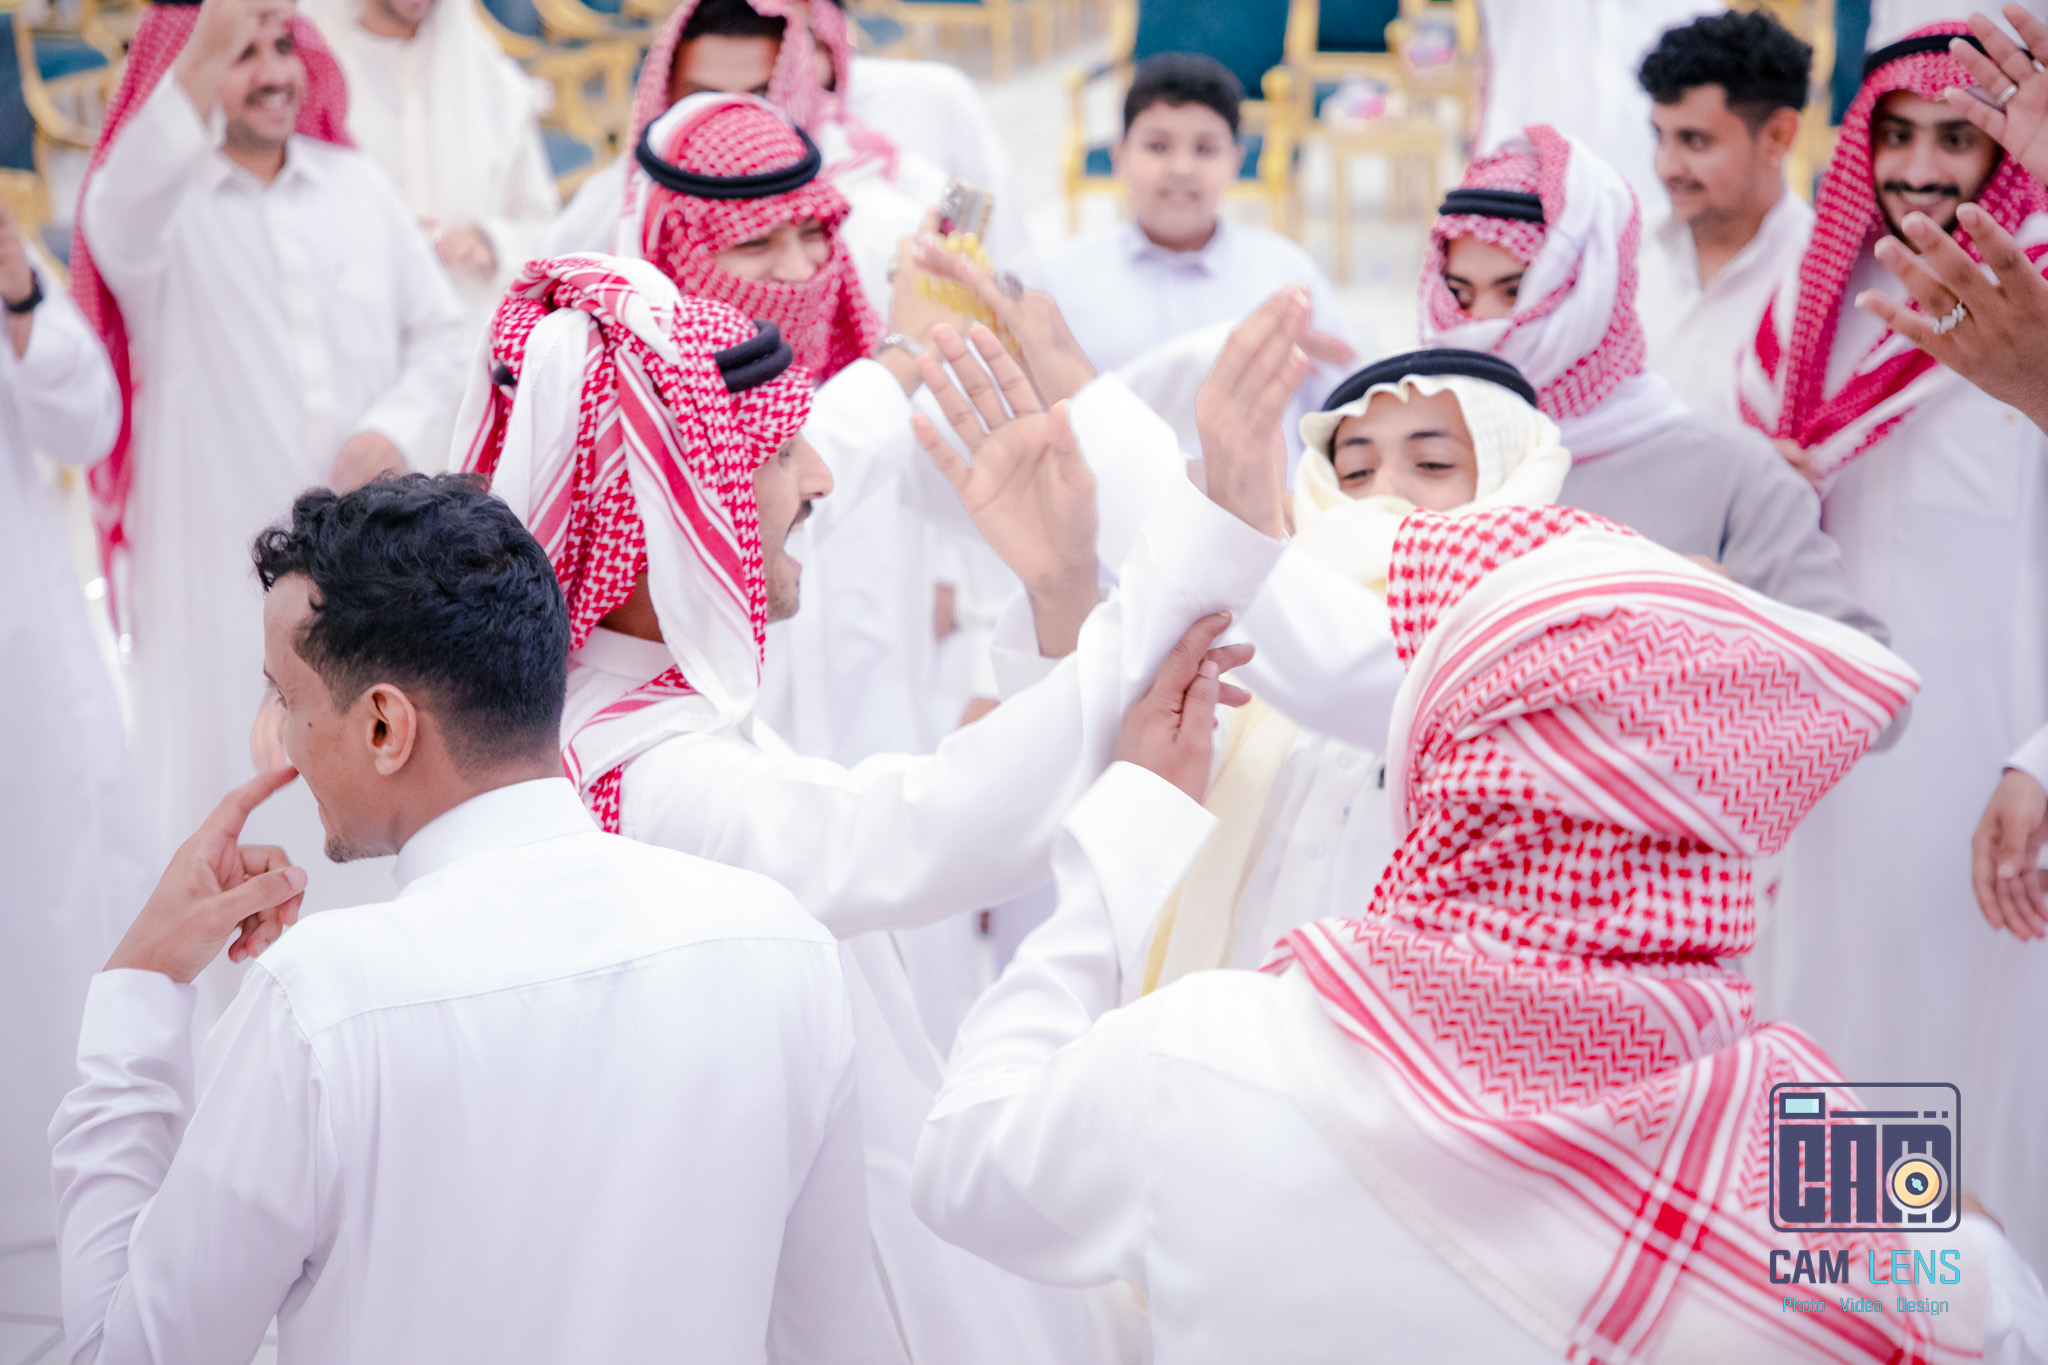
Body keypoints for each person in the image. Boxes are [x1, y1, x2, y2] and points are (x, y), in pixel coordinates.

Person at [913, 489, 2048, 1363]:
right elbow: (1993, 1308)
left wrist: (1125, 839)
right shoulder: (1830, 1177)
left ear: (1438, 774)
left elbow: (961, 1161)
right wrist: (1941, 1218)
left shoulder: (1203, 1053)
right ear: (1719, 832)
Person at [459, 252, 1307, 1363]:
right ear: (662, 507)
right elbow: (924, 825)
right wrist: (1205, 539)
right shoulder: (632, 774)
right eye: (776, 452)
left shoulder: (640, 710)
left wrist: (1061, 591)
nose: (818, 478)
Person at [49, 474, 871, 1363]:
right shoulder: (782, 947)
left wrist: (141, 983)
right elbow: (830, 1341)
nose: (281, 741)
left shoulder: (320, 1004)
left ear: (384, 726)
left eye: (288, 699)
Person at [1736, 20, 2048, 1272]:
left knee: (1983, 1059)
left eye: (1955, 138)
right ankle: (1849, 1306)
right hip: (1834, 768)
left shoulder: (2031, 316)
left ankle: (1984, 1314)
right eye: (1896, 136)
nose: (1918, 169)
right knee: (1836, 1035)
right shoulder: (1810, 314)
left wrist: (2039, 754)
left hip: (1996, 778)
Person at [73, 0, 468, 976]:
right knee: (225, 782)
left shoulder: (354, 186)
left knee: (377, 773)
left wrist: (394, 427)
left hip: (364, 572)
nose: (274, 73)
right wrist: (203, 43)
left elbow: (442, 335)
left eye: (282, 45)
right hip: (213, 581)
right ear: (191, 73)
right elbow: (113, 211)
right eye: (239, 55)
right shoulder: (160, 213)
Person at [1137, 349, 1570, 995]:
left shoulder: (1547, 630)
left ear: (1514, 473)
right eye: (1356, 471)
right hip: (1232, 1021)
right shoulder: (1259, 634)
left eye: (1433, 464)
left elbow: (1339, 671)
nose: (1385, 490)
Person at [1419, 124, 1883, 641]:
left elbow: (1858, 670)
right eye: (1460, 295)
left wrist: (1712, 624)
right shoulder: (1408, 459)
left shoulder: (1736, 474)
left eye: (1515, 293)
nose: (1482, 327)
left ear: (1592, 293)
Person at [0, 203, 157, 1251]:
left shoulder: (12, 272)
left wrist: (19, 293)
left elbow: (86, 424)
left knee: (45, 891)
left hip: (15, 637)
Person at [1025, 53, 1354, 469]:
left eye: (1205, 149)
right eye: (1158, 146)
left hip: (1266, 506)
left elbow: (1340, 412)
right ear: (1119, 156)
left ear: (1236, 161)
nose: (1181, 168)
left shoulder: (1287, 277)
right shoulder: (1058, 280)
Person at [549, 0, 952, 307]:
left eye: (759, 97)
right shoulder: (631, 184)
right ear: (668, 91)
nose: (733, 118)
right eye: (705, 98)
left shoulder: (876, 218)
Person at [303, 0, 559, 336]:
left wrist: (490, 241)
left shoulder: (497, 87)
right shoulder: (310, 84)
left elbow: (547, 231)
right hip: (356, 335)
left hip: (474, 340)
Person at [1635, 9, 1816, 420]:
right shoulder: (1623, 253)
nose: (1666, 165)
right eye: (1659, 136)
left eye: (1694, 141)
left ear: (1778, 136)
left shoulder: (1823, 280)